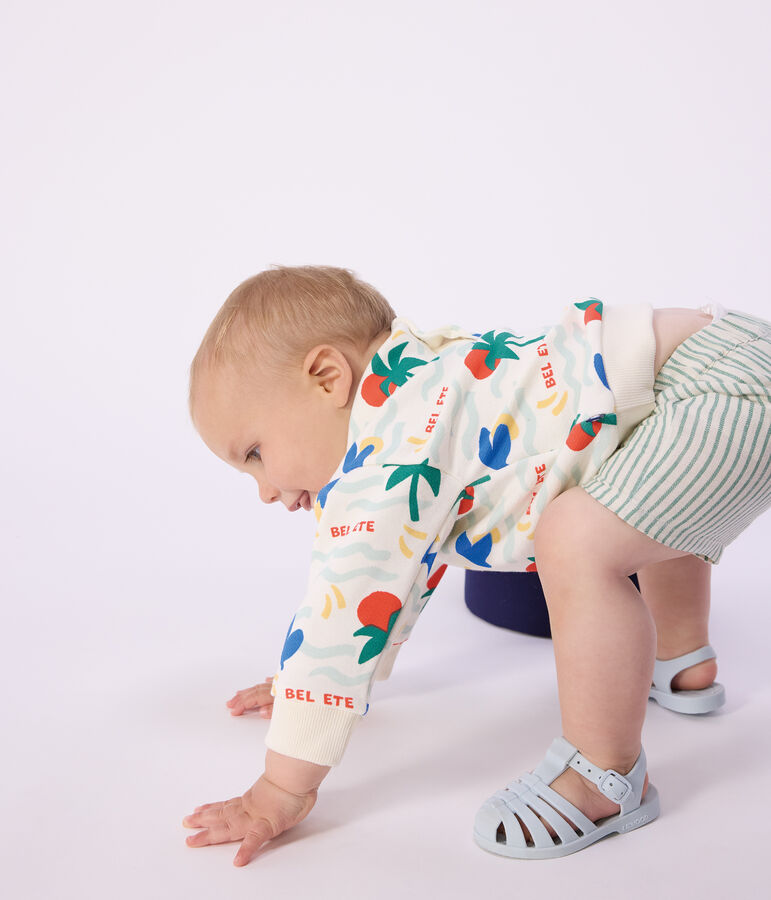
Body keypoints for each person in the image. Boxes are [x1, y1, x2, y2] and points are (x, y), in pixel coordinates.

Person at [184, 265, 770, 865]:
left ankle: (603, 777)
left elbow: (341, 616)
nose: (264, 490)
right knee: (627, 504)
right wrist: (299, 686)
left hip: (723, 392)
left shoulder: (383, 459)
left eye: (255, 453)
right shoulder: (423, 386)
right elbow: (391, 587)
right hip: (726, 362)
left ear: (328, 378)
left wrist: (279, 788)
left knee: (576, 541)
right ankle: (681, 658)